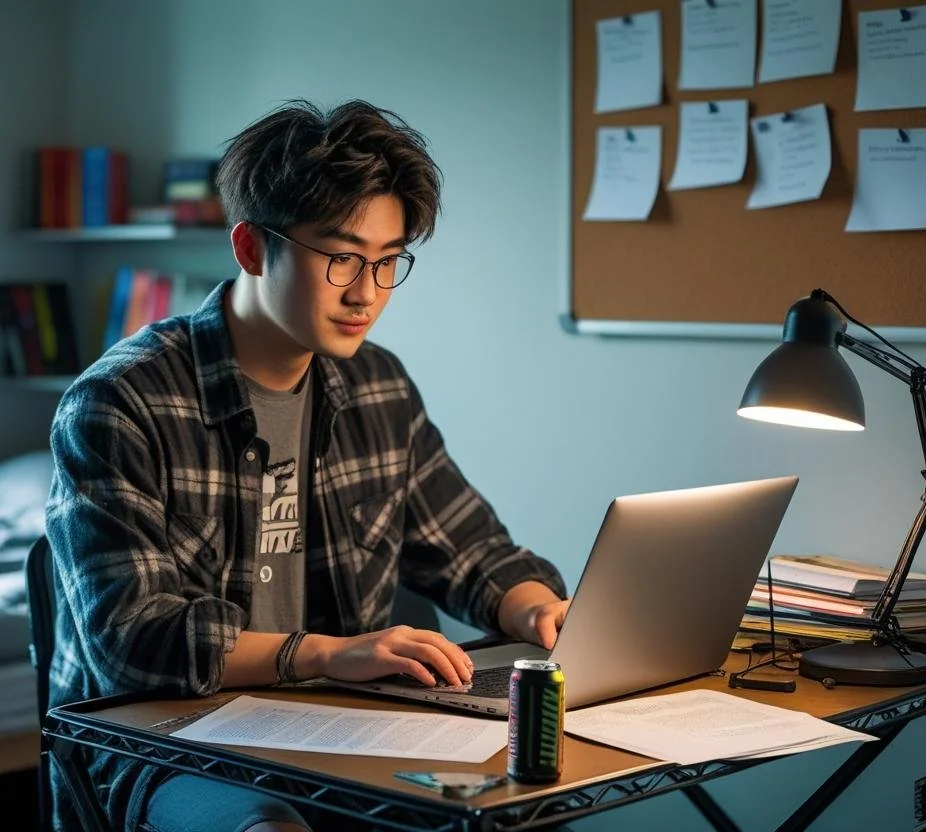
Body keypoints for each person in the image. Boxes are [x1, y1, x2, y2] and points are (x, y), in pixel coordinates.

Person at [44, 99, 570, 832]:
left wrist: (537, 606)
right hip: (168, 743)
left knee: (529, 806)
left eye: (389, 263)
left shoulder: (377, 386)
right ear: (253, 248)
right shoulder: (121, 403)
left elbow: (470, 548)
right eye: (343, 258)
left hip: (340, 729)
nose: (366, 293)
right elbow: (136, 641)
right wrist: (329, 654)